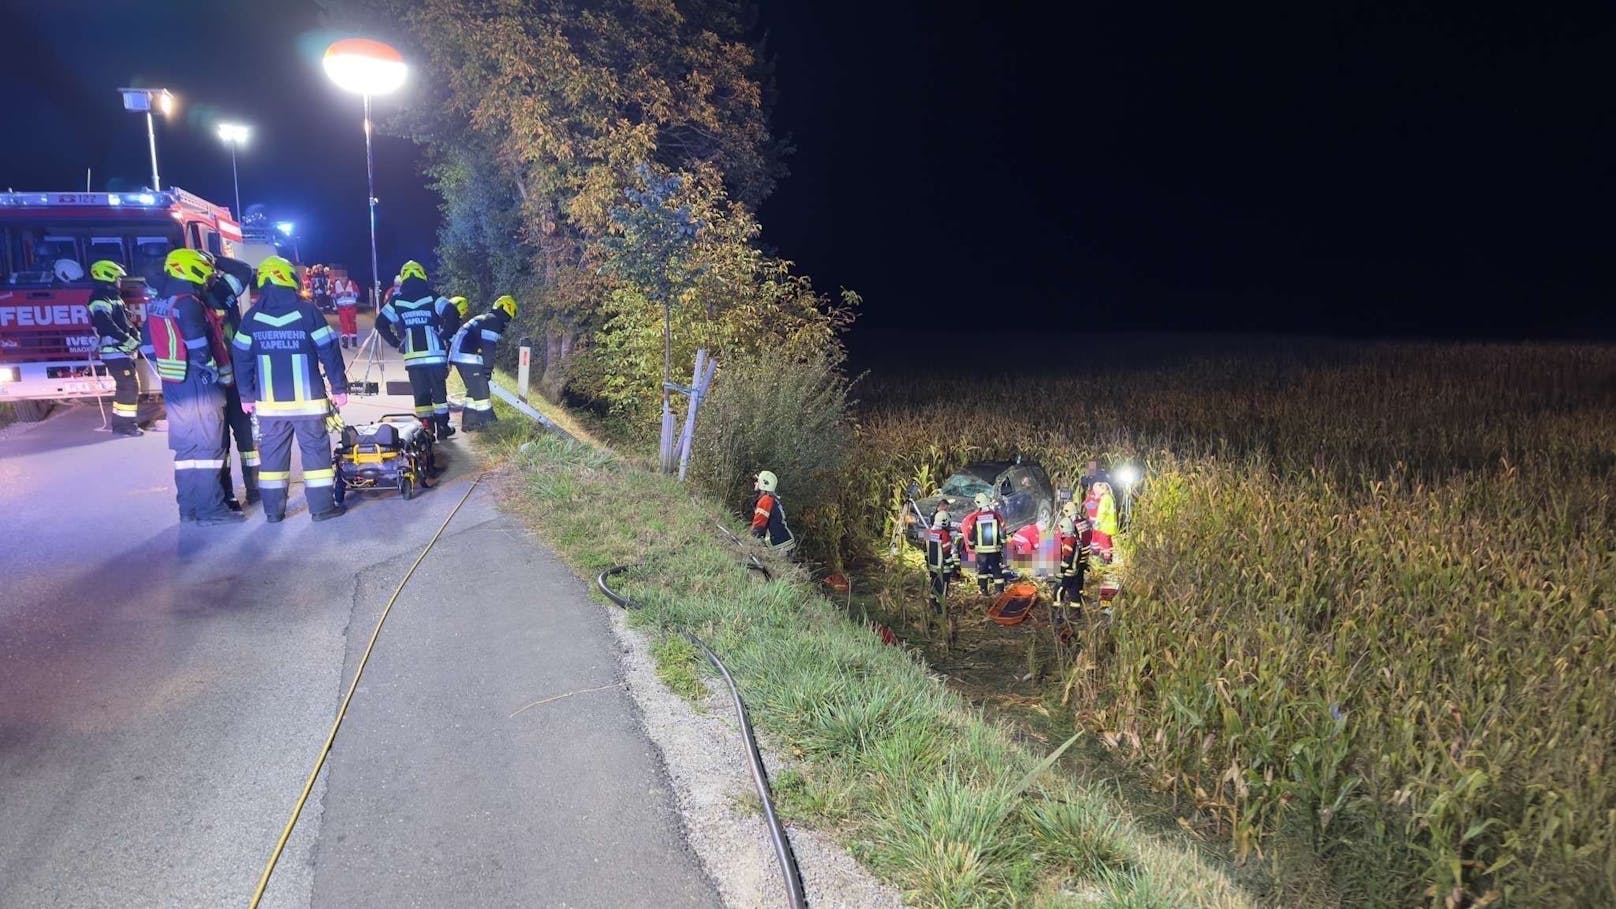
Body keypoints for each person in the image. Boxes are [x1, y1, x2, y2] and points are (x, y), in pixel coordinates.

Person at [232, 255, 349, 523]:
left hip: (269, 407)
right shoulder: (308, 312)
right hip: (309, 404)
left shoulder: (251, 317)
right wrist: (339, 387)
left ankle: (273, 512)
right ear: (289, 279)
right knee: (316, 457)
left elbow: (241, 357)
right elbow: (329, 352)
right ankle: (321, 509)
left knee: (272, 461)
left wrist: (246, 396)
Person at [139, 248, 244, 525]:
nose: (208, 278)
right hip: (199, 385)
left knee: (187, 451)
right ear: (192, 269)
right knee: (209, 449)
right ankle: (213, 510)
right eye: (205, 272)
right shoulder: (189, 303)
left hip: (174, 387)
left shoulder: (160, 303)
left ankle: (189, 509)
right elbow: (201, 349)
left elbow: (147, 348)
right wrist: (218, 374)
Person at [377, 260, 461, 440]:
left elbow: (380, 323)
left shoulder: (397, 301)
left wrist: (396, 342)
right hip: (435, 356)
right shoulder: (432, 297)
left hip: (413, 359)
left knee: (421, 395)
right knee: (439, 393)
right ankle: (443, 428)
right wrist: (445, 335)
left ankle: (427, 431)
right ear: (422, 275)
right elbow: (452, 312)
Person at [206, 257, 261, 510]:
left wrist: (213, 258)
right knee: (221, 444)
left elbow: (244, 269)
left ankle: (256, 489)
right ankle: (227, 496)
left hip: (235, 376)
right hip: (213, 382)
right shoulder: (192, 300)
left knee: (247, 439)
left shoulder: (222, 288)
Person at [87, 260, 144, 436]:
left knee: (128, 386)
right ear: (110, 276)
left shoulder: (112, 298)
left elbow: (124, 322)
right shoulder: (100, 298)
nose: (120, 281)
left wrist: (135, 335)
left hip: (120, 351)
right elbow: (105, 324)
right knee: (128, 387)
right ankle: (124, 427)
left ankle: (123, 425)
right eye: (118, 278)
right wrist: (126, 339)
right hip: (114, 351)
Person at [448, 294, 516, 431]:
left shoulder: (485, 318)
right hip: (468, 358)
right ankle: (490, 424)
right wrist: (487, 369)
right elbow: (488, 348)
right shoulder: (493, 321)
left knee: (474, 391)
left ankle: (470, 423)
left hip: (460, 356)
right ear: (507, 309)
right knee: (482, 393)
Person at [959, 492, 1007, 595]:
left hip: (981, 551)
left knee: (983, 570)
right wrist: (1003, 544)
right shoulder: (996, 515)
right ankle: (999, 590)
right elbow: (1002, 530)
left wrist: (971, 545)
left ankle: (983, 590)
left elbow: (971, 533)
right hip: (994, 548)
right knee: (996, 568)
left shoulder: (975, 518)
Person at [923, 499, 960, 613]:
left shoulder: (927, 532)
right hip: (943, 568)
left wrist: (928, 562)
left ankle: (932, 602)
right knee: (943, 587)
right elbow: (946, 553)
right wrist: (953, 568)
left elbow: (924, 549)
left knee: (934, 584)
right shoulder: (944, 535)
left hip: (932, 566)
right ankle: (940, 608)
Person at [1055, 500, 1091, 610]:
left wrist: (1061, 569)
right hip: (1084, 552)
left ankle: (1058, 608)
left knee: (1063, 586)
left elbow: (1069, 552)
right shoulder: (1084, 521)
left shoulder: (1072, 526)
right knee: (1078, 578)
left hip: (1076, 555)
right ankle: (1078, 598)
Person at [750, 470, 796, 554]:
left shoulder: (765, 500)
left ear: (764, 484)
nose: (755, 483)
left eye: (757, 481)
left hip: (779, 544)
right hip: (784, 541)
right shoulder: (771, 499)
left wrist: (751, 538)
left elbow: (759, 523)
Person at [1085, 481, 1118, 564]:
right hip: (1105, 525)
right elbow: (1087, 504)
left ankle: (1106, 559)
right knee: (1104, 542)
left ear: (1102, 489)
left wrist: (1097, 524)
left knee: (1104, 543)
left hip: (1104, 526)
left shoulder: (1105, 498)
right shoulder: (1107, 497)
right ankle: (1105, 558)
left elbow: (1102, 513)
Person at [334, 275, 360, 348]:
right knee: (344, 324)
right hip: (341, 308)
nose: (342, 279)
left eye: (344, 277)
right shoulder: (336, 284)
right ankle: (345, 342)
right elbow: (332, 295)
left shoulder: (352, 283)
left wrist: (349, 294)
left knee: (352, 323)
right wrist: (339, 295)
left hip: (351, 307)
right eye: (341, 277)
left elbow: (357, 294)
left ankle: (354, 340)